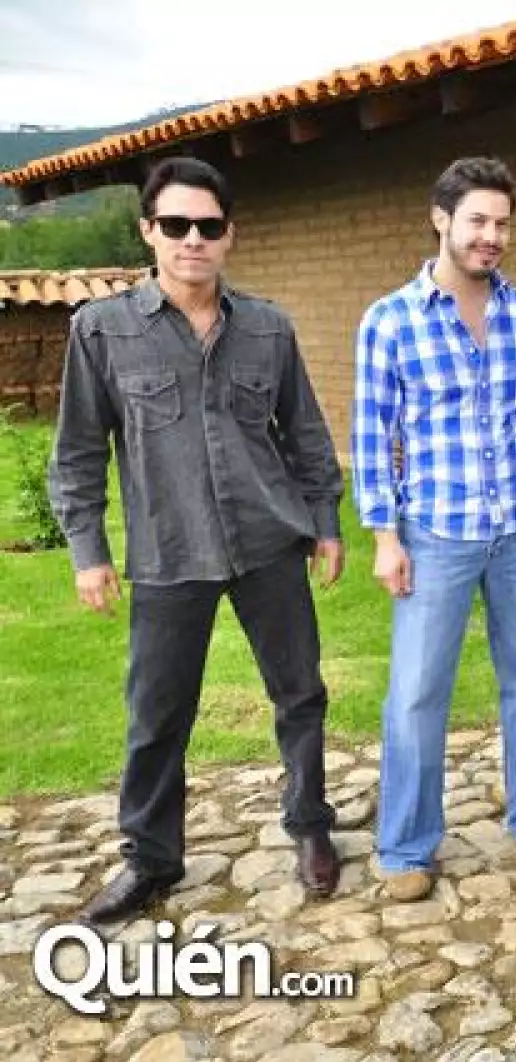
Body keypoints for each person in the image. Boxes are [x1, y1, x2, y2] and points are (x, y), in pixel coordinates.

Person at [49, 158, 343, 922]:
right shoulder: (102, 330)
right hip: (168, 551)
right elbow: (78, 450)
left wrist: (327, 522)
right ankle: (150, 859)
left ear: (229, 236)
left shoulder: (269, 329)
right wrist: (89, 549)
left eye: (208, 227)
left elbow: (305, 434)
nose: (192, 240)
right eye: (175, 225)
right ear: (149, 231)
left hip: (269, 543)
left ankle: (311, 826)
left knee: (300, 694)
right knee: (157, 712)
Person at [353, 157, 516, 903]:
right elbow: (372, 436)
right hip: (434, 531)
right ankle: (407, 845)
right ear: (441, 219)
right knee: (416, 691)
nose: (491, 236)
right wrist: (384, 535)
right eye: (477, 220)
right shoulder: (389, 321)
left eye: (502, 222)